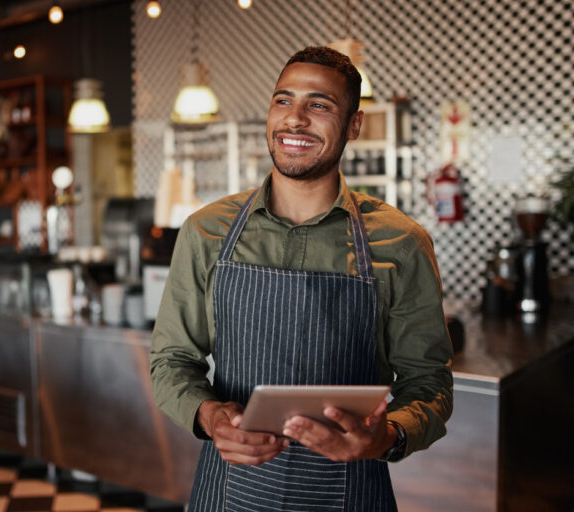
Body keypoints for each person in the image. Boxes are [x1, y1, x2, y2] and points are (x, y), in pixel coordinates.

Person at [150, 46, 453, 512]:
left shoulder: (401, 243)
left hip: (351, 494)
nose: (295, 119)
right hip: (229, 493)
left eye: (320, 105)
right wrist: (209, 415)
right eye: (283, 100)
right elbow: (172, 359)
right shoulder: (206, 231)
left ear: (354, 125)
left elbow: (429, 383)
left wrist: (385, 436)